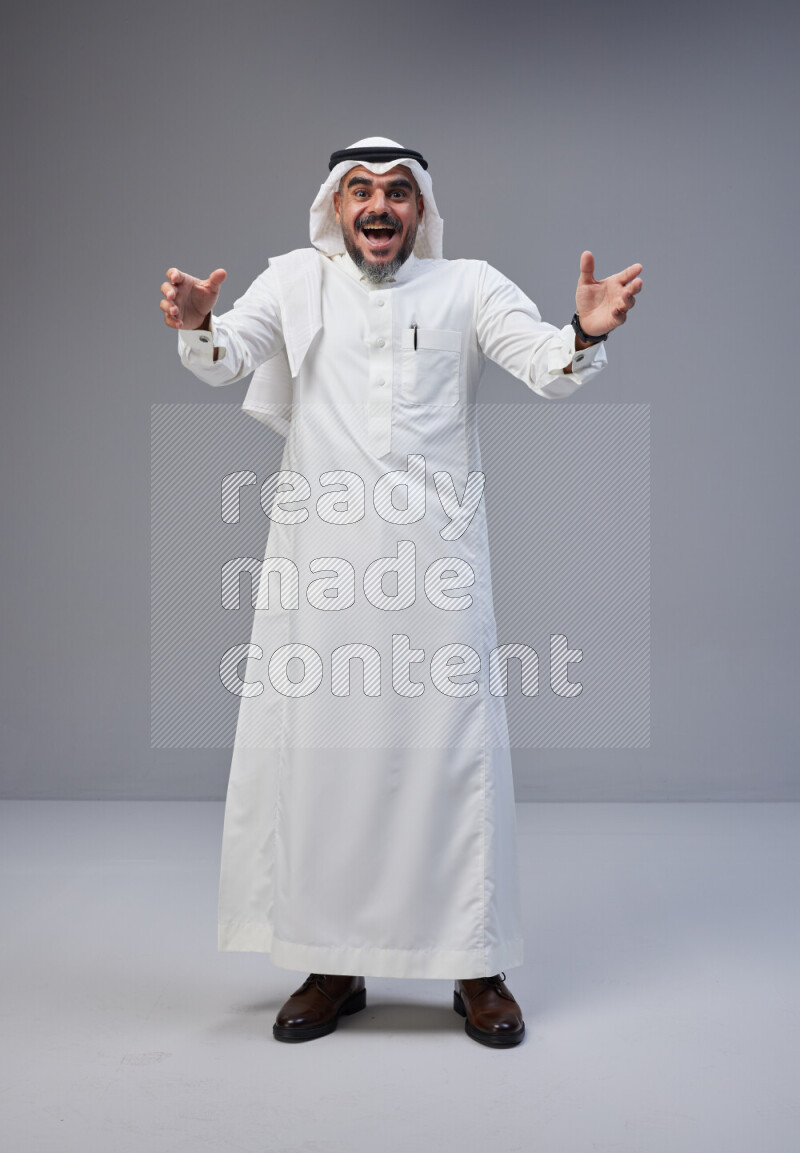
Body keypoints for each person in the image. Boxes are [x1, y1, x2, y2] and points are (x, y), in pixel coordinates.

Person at [160, 137, 642, 1048]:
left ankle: (477, 967)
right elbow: (227, 357)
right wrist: (196, 321)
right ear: (334, 208)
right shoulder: (292, 284)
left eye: (396, 193)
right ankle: (332, 961)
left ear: (419, 209)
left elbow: (548, 366)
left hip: (436, 567)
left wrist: (586, 330)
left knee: (452, 756)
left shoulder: (468, 287)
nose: (378, 207)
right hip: (324, 570)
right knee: (329, 759)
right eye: (359, 192)